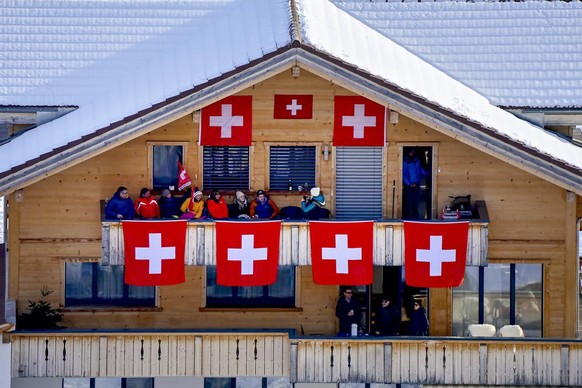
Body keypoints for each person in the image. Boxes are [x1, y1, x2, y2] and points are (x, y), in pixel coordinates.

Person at [402, 148, 426, 219]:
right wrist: (409, 183)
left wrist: (429, 174)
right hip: (409, 185)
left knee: (416, 201)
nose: (413, 153)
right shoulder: (405, 161)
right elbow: (403, 174)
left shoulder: (417, 160)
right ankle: (408, 218)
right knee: (409, 202)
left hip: (417, 184)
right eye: (412, 151)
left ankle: (415, 217)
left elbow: (420, 170)